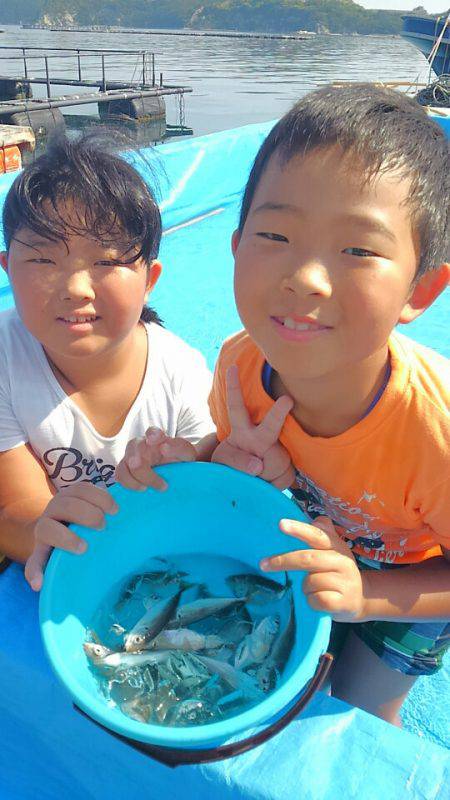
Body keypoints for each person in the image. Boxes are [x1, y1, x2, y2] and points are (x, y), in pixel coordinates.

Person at [123, 84, 450, 726]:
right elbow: (229, 450)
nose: (304, 278)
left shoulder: (436, 431)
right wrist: (196, 461)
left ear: (421, 289)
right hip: (313, 550)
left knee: (355, 712)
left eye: (358, 250)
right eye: (275, 234)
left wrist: (368, 593)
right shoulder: (239, 363)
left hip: (414, 582)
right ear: (235, 246)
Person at [0, 130, 217, 590]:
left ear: (149, 280)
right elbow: (15, 508)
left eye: (106, 261)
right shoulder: (4, 355)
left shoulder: (182, 375)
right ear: (7, 270)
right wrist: (42, 530)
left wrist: (190, 467)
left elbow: (213, 489)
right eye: (43, 261)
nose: (75, 288)